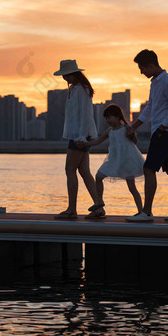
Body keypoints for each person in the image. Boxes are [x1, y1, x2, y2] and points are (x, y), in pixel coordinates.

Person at [126, 49, 168, 222]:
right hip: (162, 131)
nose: (141, 72)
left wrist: (162, 127)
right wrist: (135, 125)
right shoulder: (155, 82)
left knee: (149, 169)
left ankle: (146, 212)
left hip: (165, 132)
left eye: (142, 68)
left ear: (150, 65)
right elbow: (150, 108)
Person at [53, 59, 98, 220]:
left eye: (67, 75)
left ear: (74, 73)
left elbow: (85, 114)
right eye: (64, 76)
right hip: (78, 134)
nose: (65, 78)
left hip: (79, 136)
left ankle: (72, 209)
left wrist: (81, 137)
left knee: (70, 170)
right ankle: (98, 205)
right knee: (84, 171)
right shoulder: (76, 88)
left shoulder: (80, 89)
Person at [84, 104, 144, 218]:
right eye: (106, 118)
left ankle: (141, 211)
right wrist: (86, 143)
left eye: (110, 117)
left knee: (132, 187)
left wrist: (132, 135)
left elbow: (134, 142)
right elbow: (98, 141)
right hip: (113, 160)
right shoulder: (109, 131)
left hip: (127, 160)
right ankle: (99, 201)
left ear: (117, 117)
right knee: (99, 176)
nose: (108, 120)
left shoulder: (126, 128)